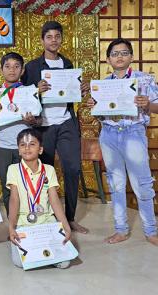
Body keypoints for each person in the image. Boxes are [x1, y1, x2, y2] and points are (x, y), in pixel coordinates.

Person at [87, 38, 158, 245]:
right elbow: (100, 116)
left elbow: (157, 106)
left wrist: (147, 105)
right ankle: (120, 229)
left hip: (133, 132)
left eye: (124, 52)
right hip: (109, 134)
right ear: (108, 59)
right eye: (115, 53)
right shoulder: (103, 85)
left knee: (142, 183)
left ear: (131, 57)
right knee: (116, 183)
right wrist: (95, 106)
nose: (120, 56)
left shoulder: (144, 79)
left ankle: (151, 231)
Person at [21, 21, 89, 234]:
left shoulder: (69, 65)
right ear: (42, 40)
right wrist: (35, 90)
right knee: (44, 171)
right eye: (49, 37)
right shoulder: (32, 67)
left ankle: (69, 218)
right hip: (44, 126)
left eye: (57, 36)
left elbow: (73, 94)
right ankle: (47, 216)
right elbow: (23, 97)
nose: (53, 40)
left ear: (61, 39)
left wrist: (83, 90)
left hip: (66, 122)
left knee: (72, 168)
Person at [7, 128, 72, 269]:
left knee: (65, 263)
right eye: (22, 145)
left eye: (32, 144)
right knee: (19, 262)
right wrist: (11, 227)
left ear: (40, 149)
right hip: (23, 221)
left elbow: (54, 200)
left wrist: (65, 226)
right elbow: (14, 199)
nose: (27, 148)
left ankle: (40, 252)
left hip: (46, 220)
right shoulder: (13, 169)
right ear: (18, 150)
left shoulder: (49, 170)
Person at [0, 52, 36, 215]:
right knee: (8, 187)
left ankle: (27, 223)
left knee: (27, 186)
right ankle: (13, 225)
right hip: (1, 146)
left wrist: (31, 120)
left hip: (25, 146)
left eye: (16, 66)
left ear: (22, 70)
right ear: (1, 70)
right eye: (7, 66)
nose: (12, 70)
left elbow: (37, 122)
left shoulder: (29, 92)